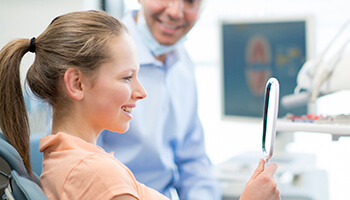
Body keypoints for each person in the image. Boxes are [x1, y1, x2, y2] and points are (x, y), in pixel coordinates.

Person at [0, 9, 280, 200]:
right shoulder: (96, 175)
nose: (142, 92)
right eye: (127, 78)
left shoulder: (74, 162)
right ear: (77, 84)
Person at [97, 0, 279, 200]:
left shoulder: (183, 64)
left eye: (190, 1)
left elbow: (192, 161)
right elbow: (86, 168)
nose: (175, 12)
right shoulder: (98, 56)